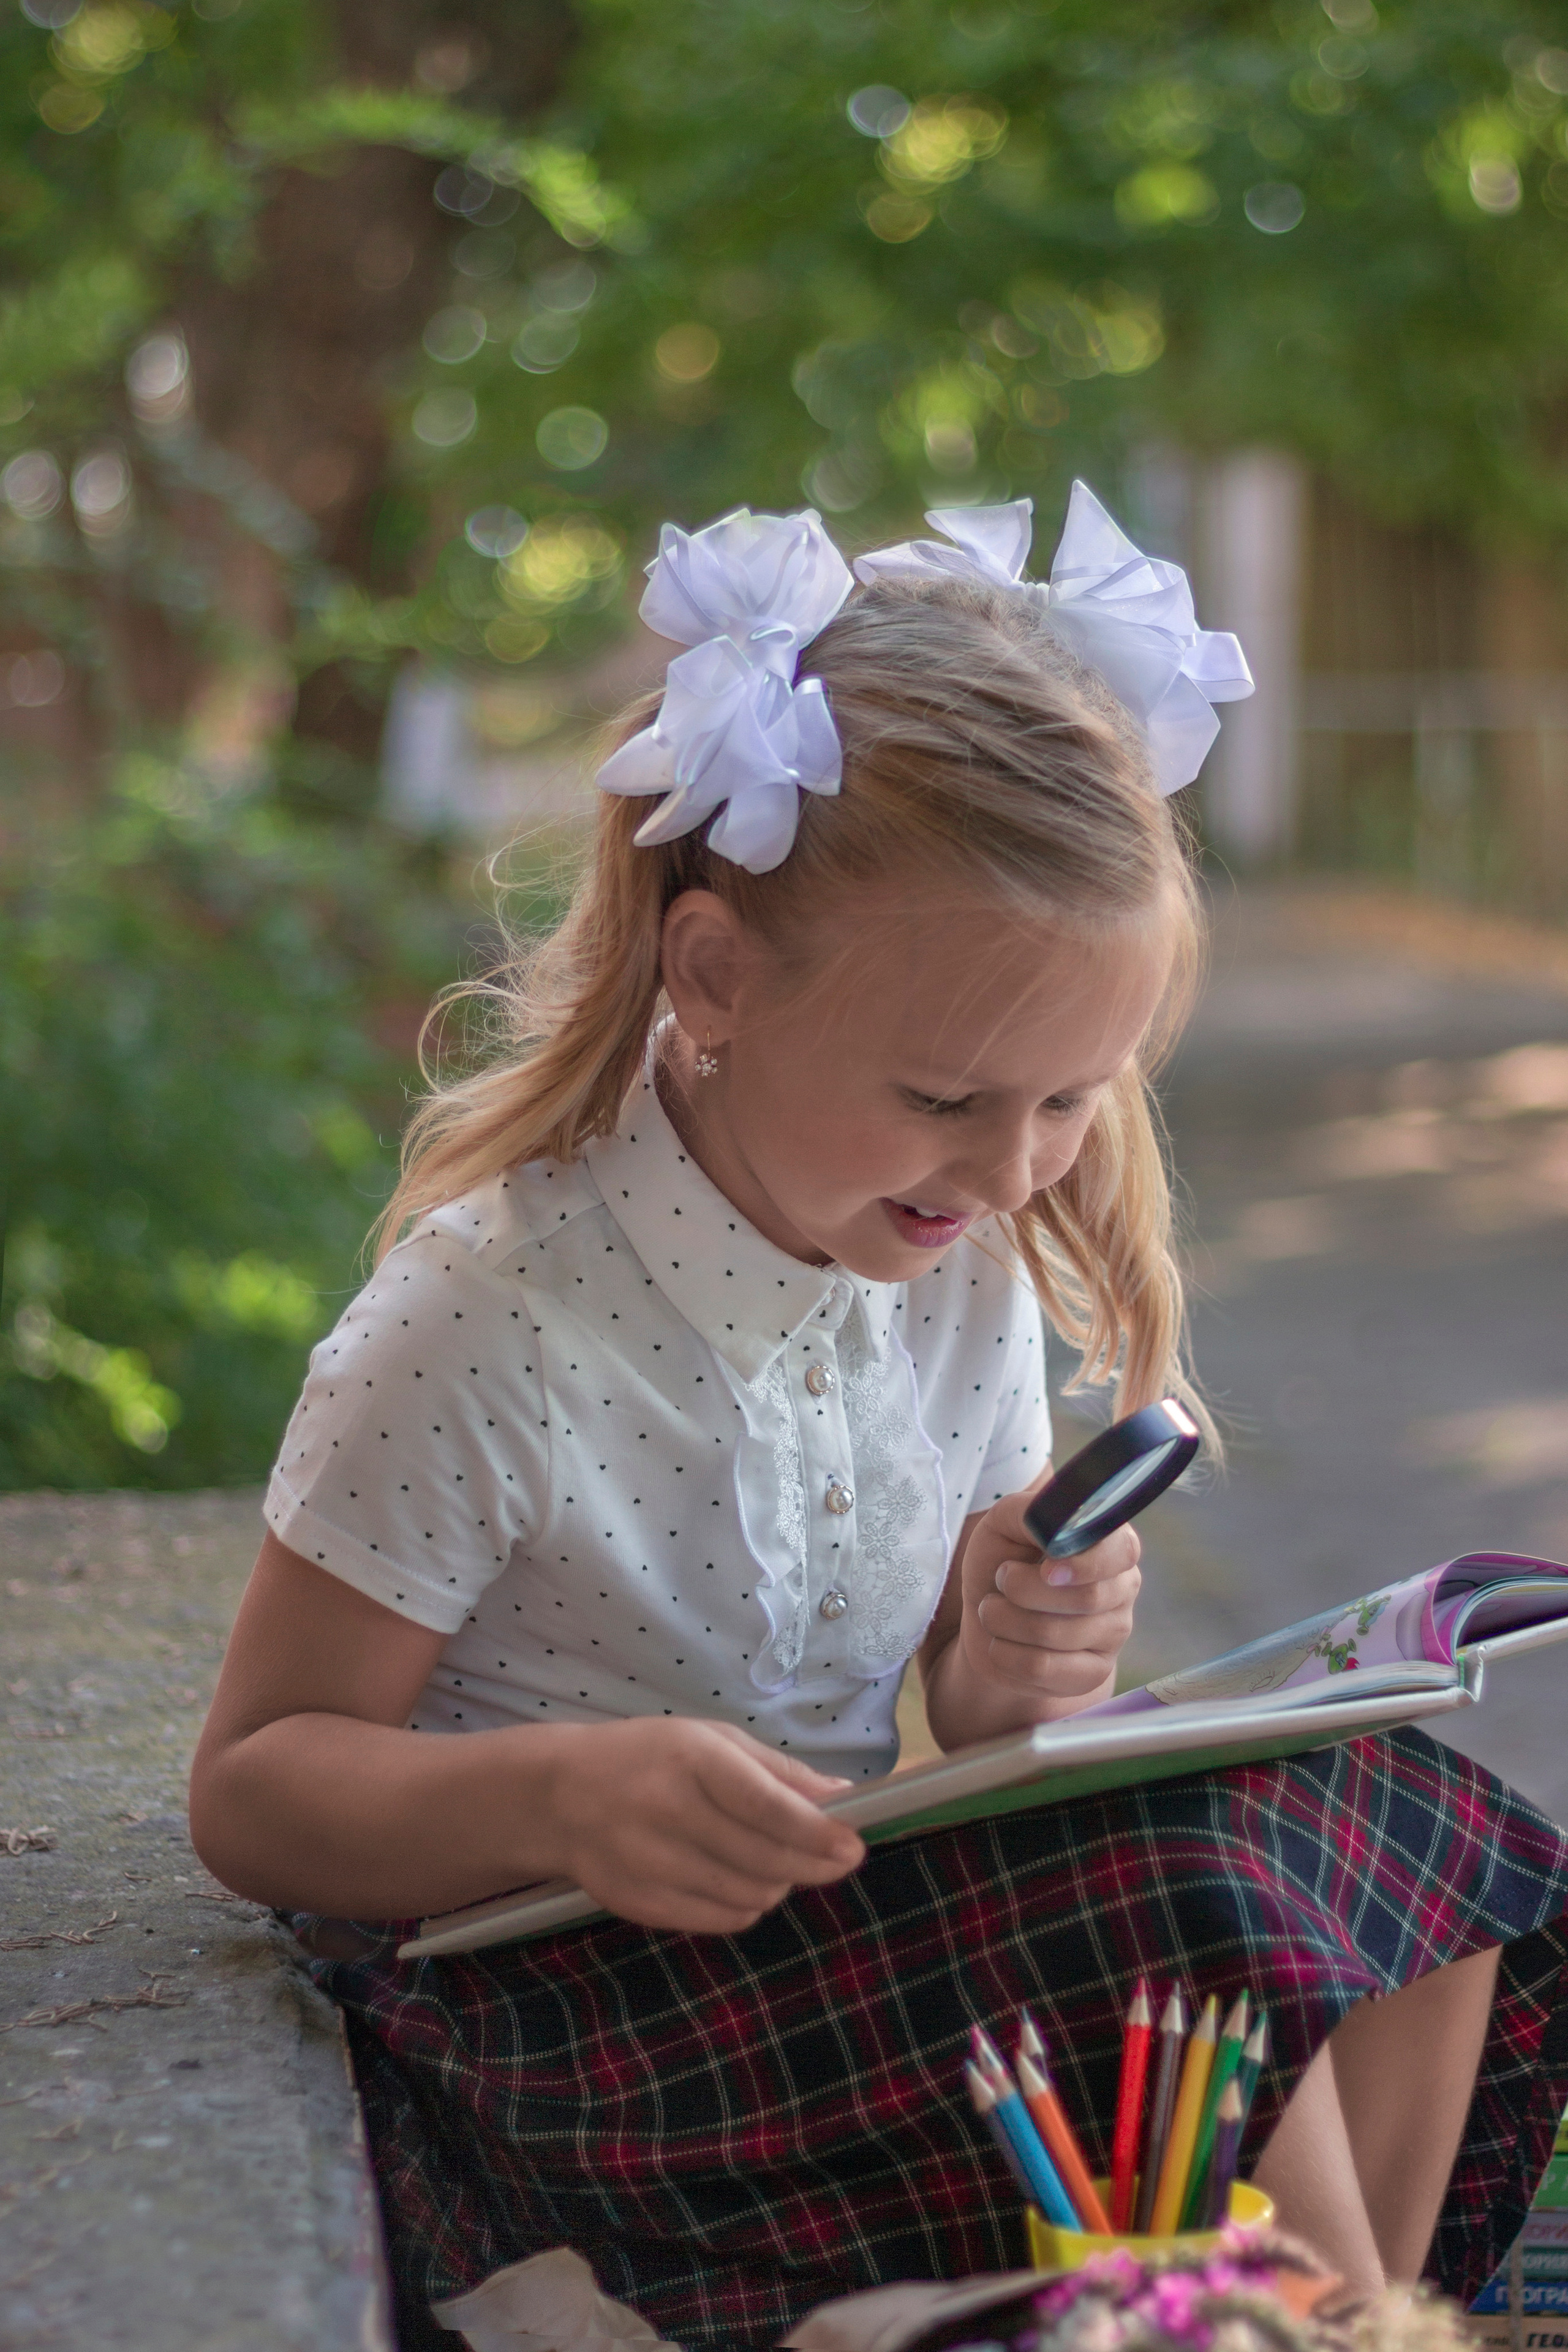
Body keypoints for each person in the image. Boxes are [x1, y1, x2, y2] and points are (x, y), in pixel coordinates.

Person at [189, 491, 1568, 2352]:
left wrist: (1013, 1673)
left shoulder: (956, 1269)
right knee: (1163, 1896)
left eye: (1072, 1103)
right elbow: (256, 1788)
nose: (1012, 1171)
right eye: (945, 1097)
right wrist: (561, 1800)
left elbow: (965, 1722)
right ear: (714, 978)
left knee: (1414, 1816)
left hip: (836, 1957)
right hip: (555, 2029)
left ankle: (1340, 2316)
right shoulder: (485, 1318)